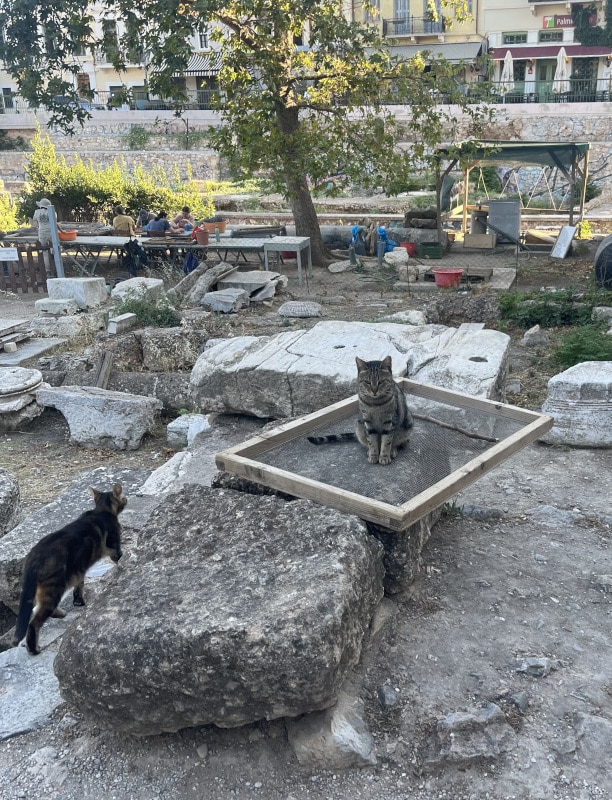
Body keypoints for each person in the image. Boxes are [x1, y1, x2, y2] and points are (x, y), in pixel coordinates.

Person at [32, 197, 54, 277]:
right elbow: (54, 222)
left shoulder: (37, 212)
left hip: (42, 233)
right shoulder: (52, 212)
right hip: (51, 232)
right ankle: (55, 268)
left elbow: (34, 221)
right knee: (54, 249)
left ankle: (47, 271)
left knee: (44, 251)